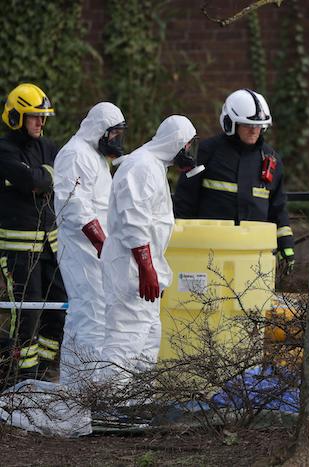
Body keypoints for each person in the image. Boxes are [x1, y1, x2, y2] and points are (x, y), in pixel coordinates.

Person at [98, 115, 196, 383]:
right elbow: (134, 222)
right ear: (178, 144)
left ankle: (135, 405)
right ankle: (111, 409)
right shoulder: (142, 167)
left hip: (139, 271)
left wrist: (153, 271)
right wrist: (147, 269)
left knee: (147, 338)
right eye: (187, 146)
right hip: (130, 271)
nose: (189, 153)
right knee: (125, 339)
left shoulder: (153, 166)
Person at [173, 89, 295, 274]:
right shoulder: (207, 152)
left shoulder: (270, 159)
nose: (254, 130)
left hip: (253, 255)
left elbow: (278, 208)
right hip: (208, 252)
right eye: (247, 125)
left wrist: (286, 246)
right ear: (231, 123)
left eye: (259, 125)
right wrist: (178, 243)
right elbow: (184, 200)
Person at [53, 102, 127, 387]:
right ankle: (83, 390)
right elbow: (74, 205)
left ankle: (80, 387)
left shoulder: (95, 156)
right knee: (89, 314)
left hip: (96, 250)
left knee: (91, 315)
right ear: (100, 130)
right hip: (80, 248)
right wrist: (101, 241)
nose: (116, 141)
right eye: (114, 135)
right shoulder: (74, 154)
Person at [0, 83, 67, 384]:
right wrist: (44, 176)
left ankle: (45, 370)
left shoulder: (47, 146)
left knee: (58, 306)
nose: (40, 123)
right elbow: (31, 180)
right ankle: (20, 378)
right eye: (33, 117)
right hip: (18, 249)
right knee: (26, 313)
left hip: (49, 245)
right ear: (16, 118)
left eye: (43, 117)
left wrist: (44, 176)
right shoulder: (4, 151)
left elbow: (55, 174)